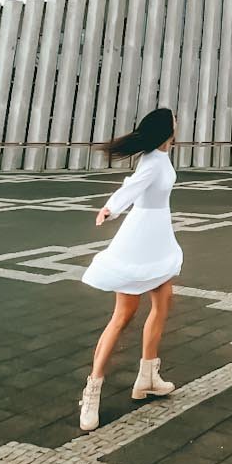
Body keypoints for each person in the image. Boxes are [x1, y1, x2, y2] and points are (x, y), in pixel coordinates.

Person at [77, 106, 182, 432]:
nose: (178, 126)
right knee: (124, 315)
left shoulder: (161, 157)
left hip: (158, 239)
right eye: (175, 124)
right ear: (167, 131)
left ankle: (147, 377)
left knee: (164, 302)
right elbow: (132, 187)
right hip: (140, 241)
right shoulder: (152, 163)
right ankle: (92, 391)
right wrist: (110, 208)